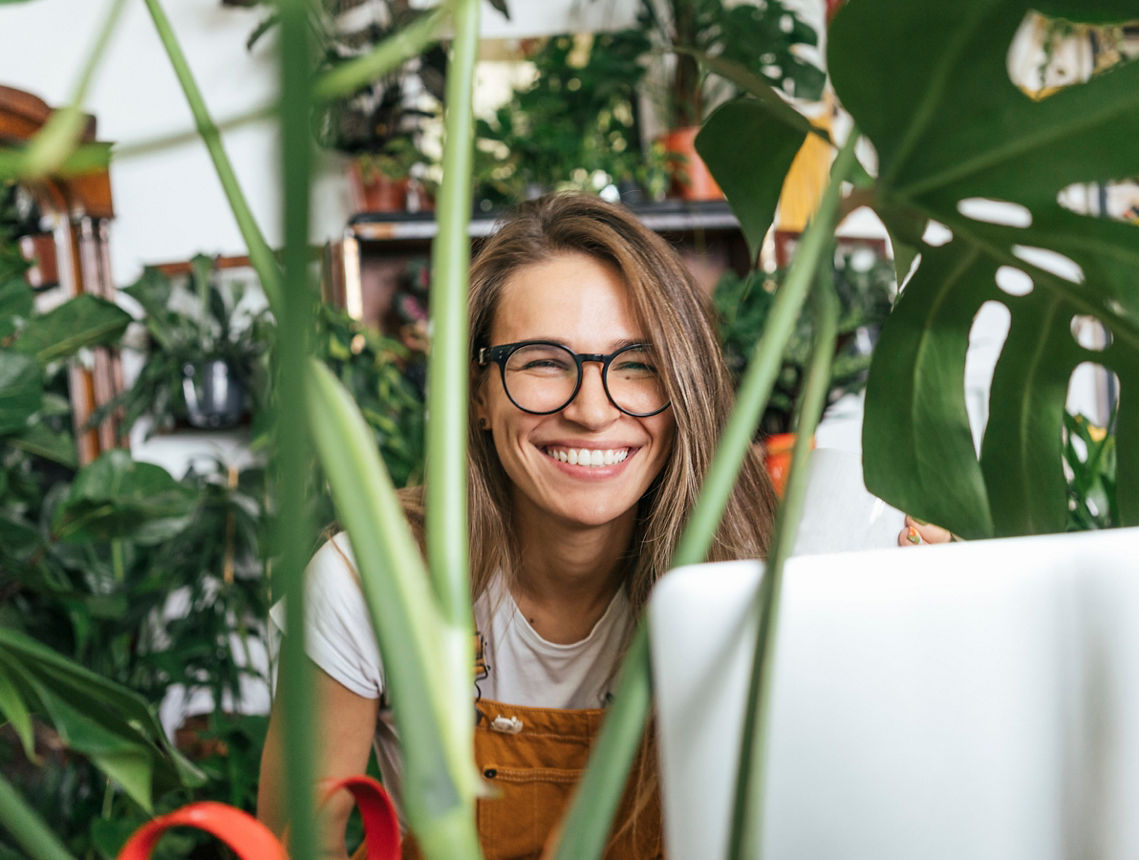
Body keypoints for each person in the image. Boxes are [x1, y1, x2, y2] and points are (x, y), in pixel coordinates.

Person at [256, 193, 949, 860]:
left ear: (685, 389)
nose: (592, 410)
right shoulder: (372, 582)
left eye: (638, 365)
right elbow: (293, 847)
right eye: (543, 363)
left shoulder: (746, 573)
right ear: (477, 394)